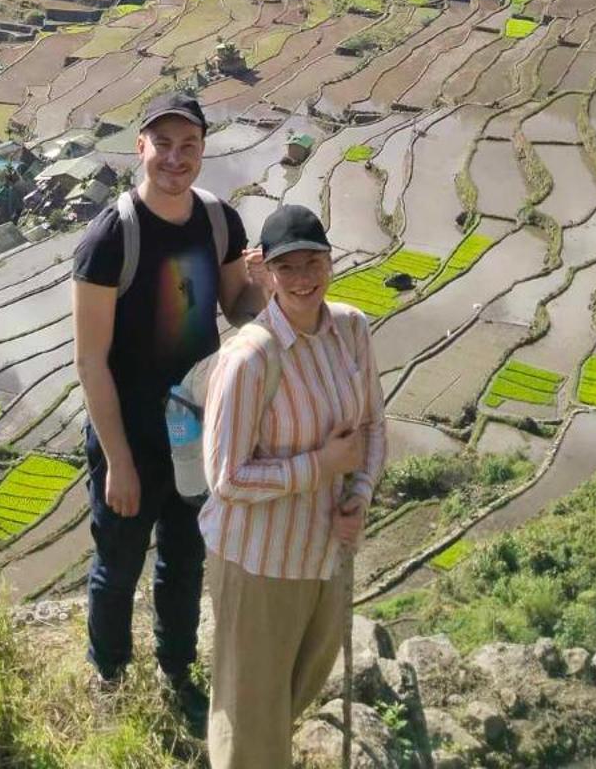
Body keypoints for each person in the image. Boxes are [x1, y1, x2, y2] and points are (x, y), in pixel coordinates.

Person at [71, 91, 261, 728]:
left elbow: (236, 306)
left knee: (185, 559)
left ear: (202, 151)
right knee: (118, 564)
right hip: (128, 434)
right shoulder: (110, 238)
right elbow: (91, 361)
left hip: (196, 432)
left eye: (189, 146)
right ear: (141, 147)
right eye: (164, 145)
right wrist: (118, 462)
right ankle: (109, 679)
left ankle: (177, 671)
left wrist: (270, 288)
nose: (175, 159)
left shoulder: (218, 222)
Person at [200, 203, 387, 769]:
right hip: (260, 563)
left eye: (314, 262)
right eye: (288, 268)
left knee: (292, 698)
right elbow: (226, 478)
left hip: (326, 552)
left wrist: (358, 497)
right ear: (268, 274)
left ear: (330, 262)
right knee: (251, 720)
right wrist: (321, 466)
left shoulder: (351, 328)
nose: (303, 278)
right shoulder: (250, 358)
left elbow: (373, 426)